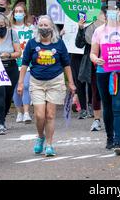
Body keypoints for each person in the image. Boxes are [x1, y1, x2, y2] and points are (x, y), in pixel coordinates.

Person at [18, 15, 76, 157]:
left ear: (52, 27)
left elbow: (66, 64)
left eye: (46, 25)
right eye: (41, 25)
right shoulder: (32, 44)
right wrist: (20, 83)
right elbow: (24, 64)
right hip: (36, 82)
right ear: (38, 27)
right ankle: (40, 136)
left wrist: (71, 83)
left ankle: (49, 144)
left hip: (55, 81)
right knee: (39, 115)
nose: (44, 28)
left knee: (50, 115)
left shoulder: (59, 44)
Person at [90, 0, 120, 156]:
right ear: (105, 12)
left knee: (118, 105)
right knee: (108, 106)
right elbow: (93, 53)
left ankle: (118, 141)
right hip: (103, 72)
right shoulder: (99, 31)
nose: (113, 12)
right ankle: (109, 137)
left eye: (116, 9)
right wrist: (96, 60)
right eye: (109, 9)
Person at [0, 14, 22, 135]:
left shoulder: (12, 34)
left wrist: (9, 55)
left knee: (7, 96)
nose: (0, 28)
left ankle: (3, 117)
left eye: (2, 25)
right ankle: (0, 123)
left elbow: (18, 52)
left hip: (10, 67)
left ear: (6, 25)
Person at [76, 9, 106, 132]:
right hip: (93, 63)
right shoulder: (88, 28)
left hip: (111, 61)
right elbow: (79, 44)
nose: (98, 19)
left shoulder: (112, 29)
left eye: (101, 16)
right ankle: (97, 120)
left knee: (111, 91)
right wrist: (81, 28)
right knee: (95, 91)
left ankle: (113, 116)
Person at [11, 3, 35, 124]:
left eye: (20, 11)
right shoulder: (10, 29)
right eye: (16, 12)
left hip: (27, 62)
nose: (18, 14)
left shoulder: (31, 28)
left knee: (25, 85)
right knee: (16, 88)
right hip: (14, 62)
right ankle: (19, 112)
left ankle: (26, 113)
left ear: (25, 13)